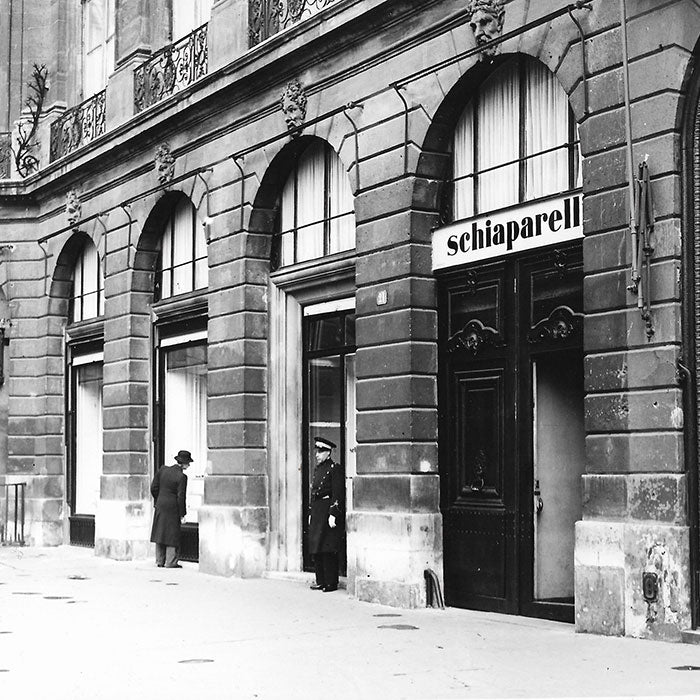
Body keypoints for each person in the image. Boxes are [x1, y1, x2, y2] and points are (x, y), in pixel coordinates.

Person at [308, 436, 344, 592]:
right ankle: (320, 580)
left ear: (328, 453)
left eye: (321, 451)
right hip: (317, 510)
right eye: (317, 451)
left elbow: (338, 493)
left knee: (328, 547)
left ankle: (331, 582)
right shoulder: (318, 470)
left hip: (327, 510)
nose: (317, 454)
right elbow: (314, 493)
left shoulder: (335, 468)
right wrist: (311, 512)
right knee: (317, 546)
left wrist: (333, 513)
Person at [150, 449, 191, 568]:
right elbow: (181, 496)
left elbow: (154, 487)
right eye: (188, 463)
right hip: (173, 507)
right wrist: (182, 514)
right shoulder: (182, 477)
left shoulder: (163, 470)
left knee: (160, 532)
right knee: (172, 533)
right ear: (184, 463)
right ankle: (171, 561)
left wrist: (159, 499)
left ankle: (159, 560)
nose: (188, 465)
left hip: (160, 504)